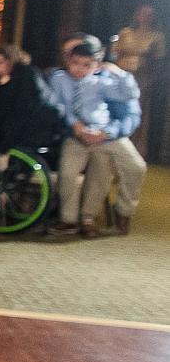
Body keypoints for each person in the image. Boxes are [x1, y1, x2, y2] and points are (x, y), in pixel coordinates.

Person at [47, 36, 145, 238]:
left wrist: (118, 72)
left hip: (105, 134)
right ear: (67, 59)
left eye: (86, 64)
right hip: (75, 134)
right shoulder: (58, 79)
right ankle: (69, 219)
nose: (79, 69)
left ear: (97, 63)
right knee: (67, 173)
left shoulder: (102, 81)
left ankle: (112, 213)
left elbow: (130, 98)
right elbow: (58, 106)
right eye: (74, 62)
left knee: (133, 166)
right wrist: (75, 125)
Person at [0, 45, 66, 155]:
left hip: (37, 128)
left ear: (10, 59)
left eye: (0, 62)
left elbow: (22, 108)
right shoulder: (9, 81)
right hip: (23, 127)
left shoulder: (26, 75)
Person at [114, 4, 163, 154]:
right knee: (118, 109)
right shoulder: (125, 32)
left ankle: (133, 147)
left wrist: (150, 80)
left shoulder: (157, 36)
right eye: (142, 13)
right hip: (122, 75)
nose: (145, 17)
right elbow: (115, 52)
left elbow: (159, 60)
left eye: (149, 14)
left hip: (142, 78)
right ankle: (114, 142)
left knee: (136, 112)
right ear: (136, 15)